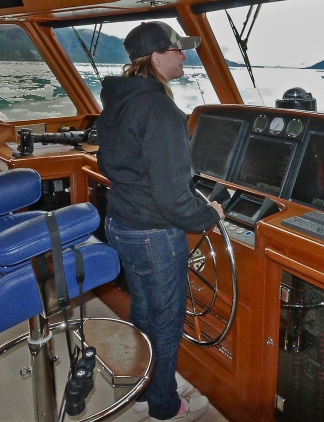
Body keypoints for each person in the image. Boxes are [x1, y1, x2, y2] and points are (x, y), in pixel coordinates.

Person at [97, 21, 224, 422]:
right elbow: (174, 200)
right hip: (153, 234)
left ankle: (143, 388)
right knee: (166, 322)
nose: (184, 56)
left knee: (144, 312)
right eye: (177, 50)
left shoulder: (119, 100)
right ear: (156, 57)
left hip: (121, 223)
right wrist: (209, 214)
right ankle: (165, 408)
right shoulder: (161, 109)